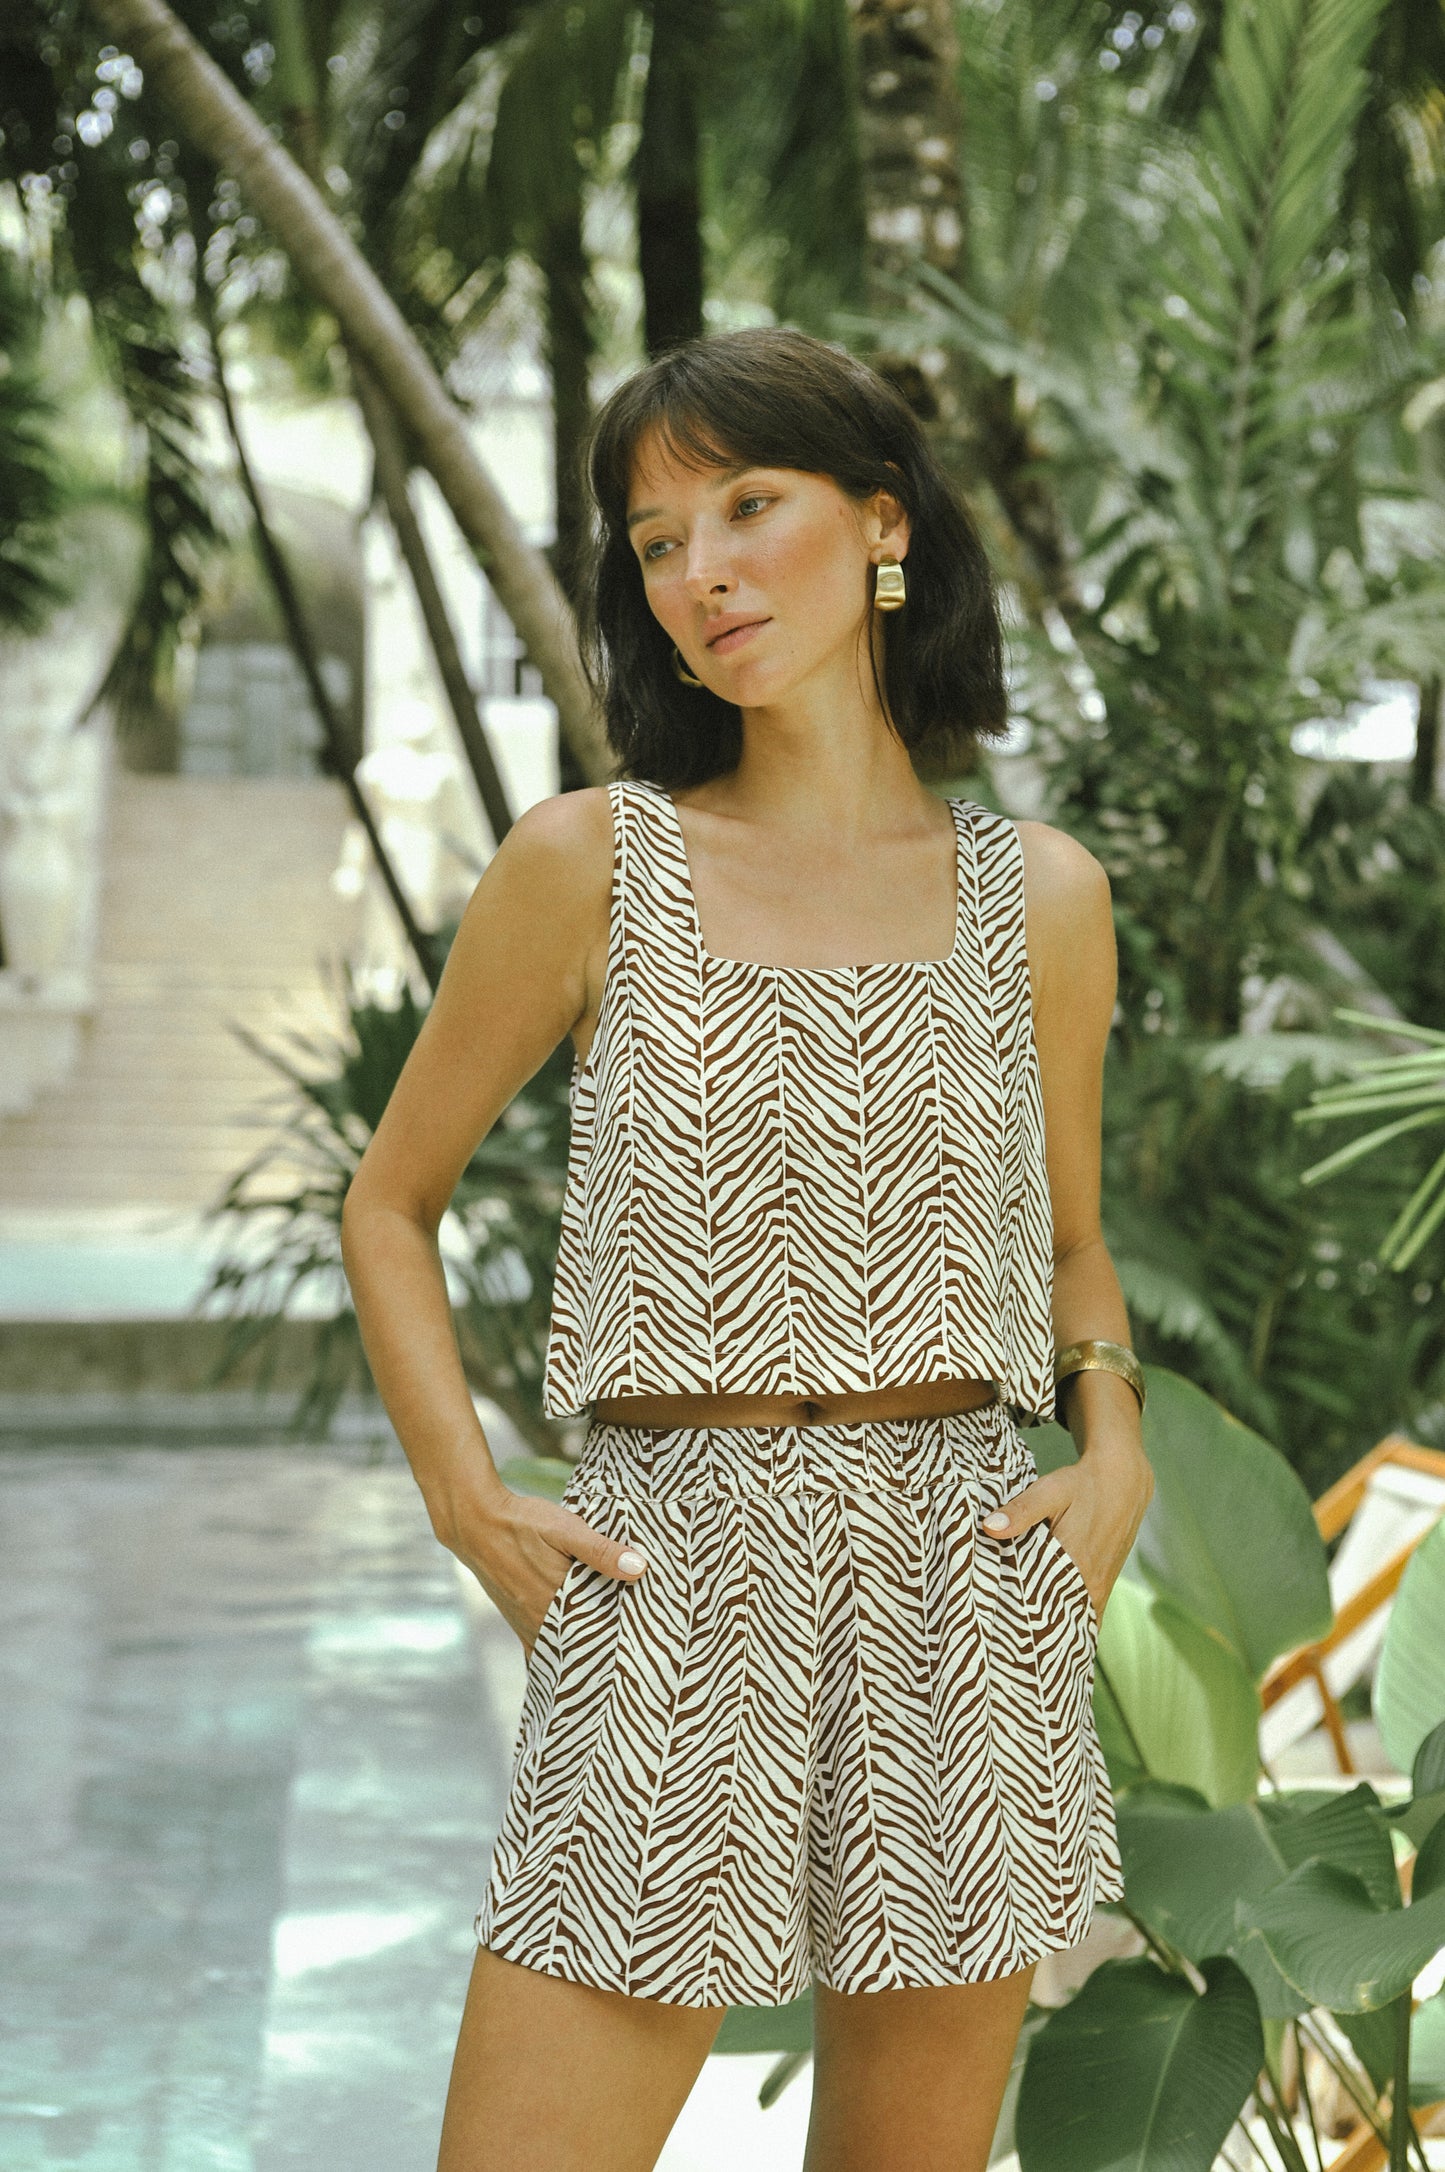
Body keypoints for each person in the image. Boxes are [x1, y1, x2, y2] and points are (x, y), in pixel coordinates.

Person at [340, 326, 1155, 2172]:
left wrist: (1111, 1446)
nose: (697, 571)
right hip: (670, 1563)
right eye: (652, 539)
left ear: (880, 527)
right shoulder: (587, 864)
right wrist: (469, 1501)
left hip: (960, 1576)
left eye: (745, 506)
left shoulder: (1040, 897)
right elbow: (387, 1204)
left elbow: (1074, 1247)